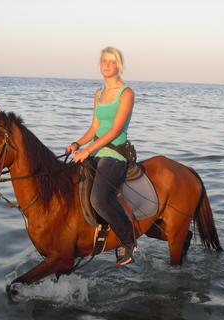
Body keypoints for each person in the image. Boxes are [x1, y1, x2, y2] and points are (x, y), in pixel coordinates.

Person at [66, 47, 135, 266]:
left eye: (111, 61)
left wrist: (87, 150)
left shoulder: (126, 93)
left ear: (118, 66)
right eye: (103, 61)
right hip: (96, 150)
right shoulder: (98, 93)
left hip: (115, 154)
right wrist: (78, 143)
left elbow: (114, 130)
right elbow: (95, 126)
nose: (106, 64)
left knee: (98, 199)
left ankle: (127, 243)